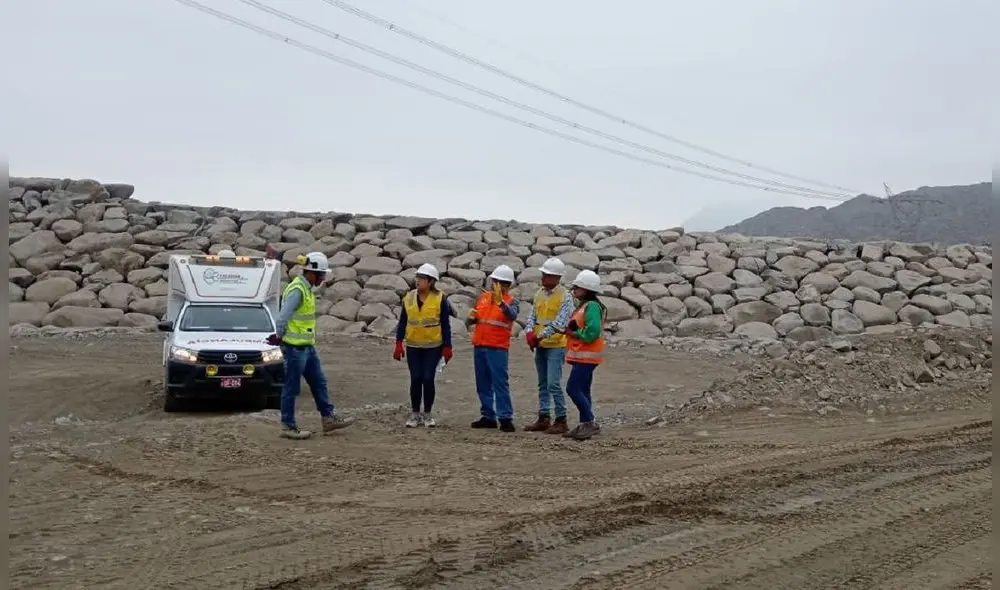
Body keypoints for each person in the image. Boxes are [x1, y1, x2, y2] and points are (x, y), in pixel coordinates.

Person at [266, 252, 355, 440]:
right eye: (321, 275)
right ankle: (288, 426)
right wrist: (280, 337)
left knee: (319, 382)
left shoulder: (306, 289)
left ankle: (328, 418)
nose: (323, 279)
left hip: (306, 347)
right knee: (291, 388)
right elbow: (282, 317)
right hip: (294, 348)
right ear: (311, 273)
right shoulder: (298, 290)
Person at [393, 263, 453, 428]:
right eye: (417, 278)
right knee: (415, 379)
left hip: (433, 347)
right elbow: (403, 322)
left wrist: (448, 346)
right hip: (413, 346)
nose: (417, 281)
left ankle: (427, 413)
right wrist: (398, 343)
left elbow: (445, 324)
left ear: (431, 281)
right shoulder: (409, 297)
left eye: (421, 279)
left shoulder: (440, 299)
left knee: (428, 378)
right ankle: (414, 414)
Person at [522, 257, 574, 434]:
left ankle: (561, 419)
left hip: (556, 346)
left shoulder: (565, 297)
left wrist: (538, 337)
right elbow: (532, 316)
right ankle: (544, 417)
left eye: (546, 274)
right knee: (543, 383)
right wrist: (529, 332)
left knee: (553, 383)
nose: (543, 277)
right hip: (541, 346)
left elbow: (560, 323)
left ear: (556, 277)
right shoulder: (539, 294)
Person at [466, 264, 519, 432]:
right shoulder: (483, 298)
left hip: (497, 347)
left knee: (500, 383)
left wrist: (501, 303)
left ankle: (505, 417)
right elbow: (477, 319)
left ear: (507, 285)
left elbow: (512, 315)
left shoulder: (511, 301)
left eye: (499, 282)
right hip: (480, 344)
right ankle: (488, 415)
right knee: (483, 383)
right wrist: (471, 319)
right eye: (494, 281)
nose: (495, 284)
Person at [562, 269, 607, 441]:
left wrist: (576, 333)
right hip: (584, 356)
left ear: (586, 289)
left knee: (572, 388)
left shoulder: (591, 306)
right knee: (583, 390)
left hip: (587, 357)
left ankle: (589, 422)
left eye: (577, 288)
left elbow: (592, 331)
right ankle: (585, 424)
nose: (574, 291)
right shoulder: (586, 306)